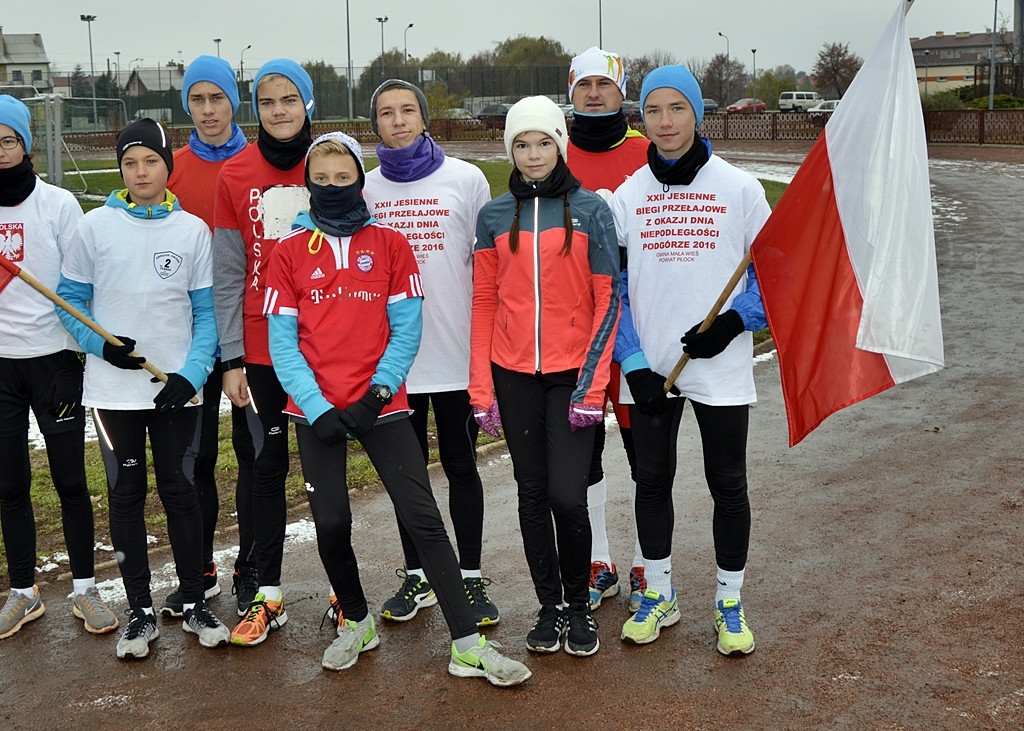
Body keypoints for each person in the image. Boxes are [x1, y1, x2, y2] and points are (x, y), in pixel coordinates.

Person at [263, 131, 531, 686]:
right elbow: (282, 341)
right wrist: (316, 407)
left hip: (380, 406)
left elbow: (407, 329)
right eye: (322, 178)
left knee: (424, 519)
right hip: (315, 411)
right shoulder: (288, 252)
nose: (333, 187)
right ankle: (356, 621)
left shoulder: (390, 243)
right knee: (332, 523)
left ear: (360, 181)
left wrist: (377, 395)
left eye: (343, 177)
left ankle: (466, 643)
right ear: (307, 182)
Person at [56, 118, 231, 659]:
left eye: (150, 161)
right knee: (126, 495)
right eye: (130, 162)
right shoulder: (93, 228)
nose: (140, 172)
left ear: (167, 165)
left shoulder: (192, 230)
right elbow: (69, 301)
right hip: (113, 394)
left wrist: (192, 373)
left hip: (176, 390)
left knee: (180, 491)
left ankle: (197, 602)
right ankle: (138, 612)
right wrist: (100, 345)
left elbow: (207, 316)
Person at [609, 66, 769, 655]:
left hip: (719, 367)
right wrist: (634, 363)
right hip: (653, 374)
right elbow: (613, 290)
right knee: (651, 482)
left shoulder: (740, 189)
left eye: (677, 109)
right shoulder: (627, 196)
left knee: (728, 483)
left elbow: (773, 279)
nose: (666, 122)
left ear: (697, 114)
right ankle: (659, 593)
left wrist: (733, 323)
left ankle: (729, 602)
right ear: (641, 119)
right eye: (654, 111)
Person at [470, 97, 620, 657]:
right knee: (531, 494)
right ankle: (549, 607)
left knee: (567, 495)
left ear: (561, 143)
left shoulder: (591, 210)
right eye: (521, 144)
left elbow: (608, 300)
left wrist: (592, 386)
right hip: (513, 375)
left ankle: (580, 606)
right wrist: (480, 386)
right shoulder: (494, 215)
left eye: (544, 142)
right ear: (510, 150)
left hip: (572, 378)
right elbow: (484, 300)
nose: (533, 155)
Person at [362, 79, 497, 627]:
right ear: (376, 125)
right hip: (394, 363)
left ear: (423, 117)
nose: (398, 121)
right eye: (387, 113)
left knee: (461, 465)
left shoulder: (465, 179)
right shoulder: (365, 189)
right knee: (407, 476)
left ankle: (469, 578)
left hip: (455, 350)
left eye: (408, 111)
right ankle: (417, 576)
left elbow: (487, 272)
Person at [0, 95, 118, 639]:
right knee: (10, 485)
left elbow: (79, 284)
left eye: (8, 139)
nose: (0, 151)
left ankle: (85, 590)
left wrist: (94, 341)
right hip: (1, 366)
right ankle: (22, 593)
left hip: (54, 361)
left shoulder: (58, 204)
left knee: (71, 481)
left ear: (25, 142)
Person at [213, 59, 314, 646]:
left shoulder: (331, 161)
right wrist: (231, 357)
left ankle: (342, 591)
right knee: (266, 465)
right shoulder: (236, 174)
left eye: (290, 100)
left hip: (324, 343)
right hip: (259, 345)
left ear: (306, 105)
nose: (279, 110)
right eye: (268, 101)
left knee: (325, 469)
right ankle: (266, 593)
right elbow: (229, 273)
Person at [160, 54, 252, 619]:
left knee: (254, 458)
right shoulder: (170, 167)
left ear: (232, 102)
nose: (208, 110)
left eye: (217, 98)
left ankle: (252, 567)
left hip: (249, 340)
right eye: (198, 99)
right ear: (187, 104)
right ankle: (200, 569)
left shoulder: (257, 161)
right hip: (191, 343)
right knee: (195, 462)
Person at [565, 46, 651, 614]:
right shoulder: (553, 152)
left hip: (642, 334)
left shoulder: (650, 152)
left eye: (605, 83)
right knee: (585, 457)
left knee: (648, 454)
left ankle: (649, 561)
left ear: (622, 92)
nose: (594, 93)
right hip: (579, 337)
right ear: (569, 94)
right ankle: (600, 561)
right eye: (583, 85)